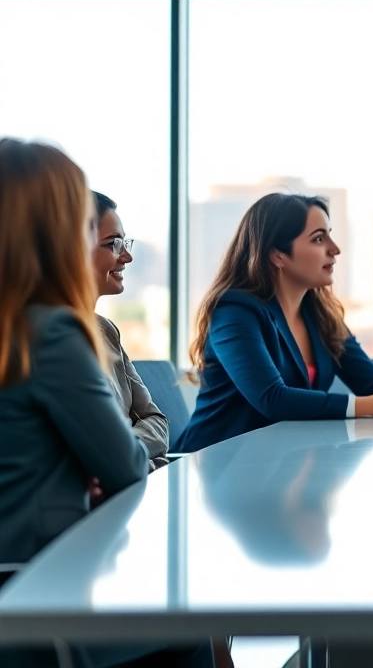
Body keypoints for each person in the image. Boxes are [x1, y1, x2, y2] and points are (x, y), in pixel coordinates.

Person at [0, 138, 212, 668]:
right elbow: (128, 468)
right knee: (193, 626)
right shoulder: (51, 332)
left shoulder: (20, 328)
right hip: (41, 588)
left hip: (22, 573)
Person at [176, 194, 373, 452]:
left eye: (330, 236)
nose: (335, 249)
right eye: (318, 239)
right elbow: (272, 399)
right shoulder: (234, 311)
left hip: (280, 465)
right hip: (212, 467)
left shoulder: (321, 316)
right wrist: (369, 406)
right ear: (277, 255)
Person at [90, 191, 170, 469]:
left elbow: (156, 421)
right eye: (114, 244)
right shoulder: (44, 339)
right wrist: (141, 460)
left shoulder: (106, 331)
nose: (127, 257)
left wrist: (131, 457)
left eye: (125, 242)